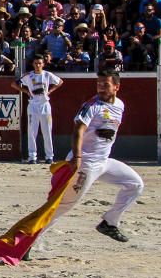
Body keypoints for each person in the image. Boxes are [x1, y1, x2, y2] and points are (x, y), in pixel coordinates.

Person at [41, 69, 144, 245]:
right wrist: (77, 157)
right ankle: (29, 241)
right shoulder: (92, 106)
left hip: (103, 161)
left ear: (116, 87)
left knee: (135, 185)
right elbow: (78, 130)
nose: (101, 88)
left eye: (106, 85)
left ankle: (109, 222)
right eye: (98, 84)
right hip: (85, 163)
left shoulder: (119, 105)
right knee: (65, 205)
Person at [12, 55, 64, 165]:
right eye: (36, 63)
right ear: (33, 64)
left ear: (43, 64)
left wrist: (50, 91)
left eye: (40, 63)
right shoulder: (28, 76)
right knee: (32, 131)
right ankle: (32, 156)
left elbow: (60, 82)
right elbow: (14, 84)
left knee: (47, 131)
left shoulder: (47, 75)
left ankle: (49, 156)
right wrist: (25, 91)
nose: (38, 65)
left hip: (45, 104)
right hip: (33, 105)